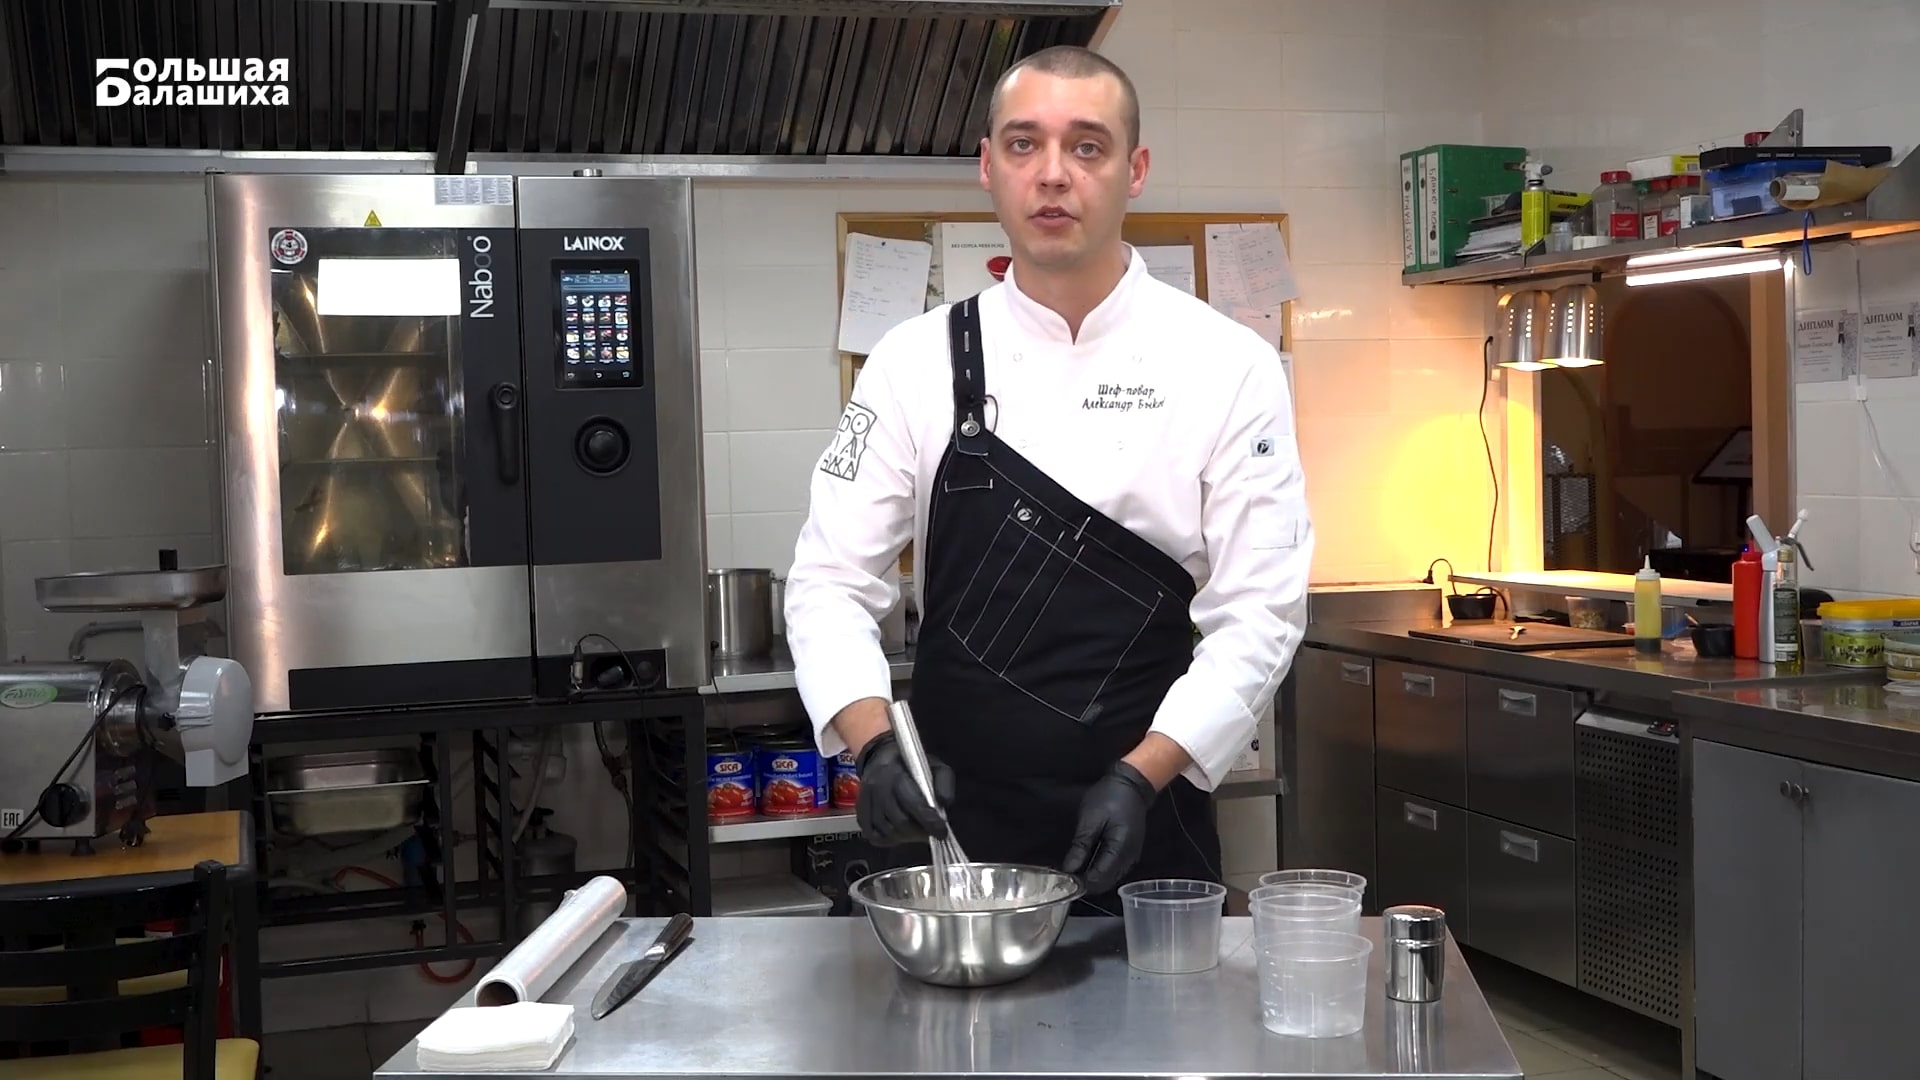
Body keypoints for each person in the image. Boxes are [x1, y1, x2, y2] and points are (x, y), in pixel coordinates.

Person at [783, 45, 1313, 910]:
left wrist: (1143, 775)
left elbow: (1262, 611)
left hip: (1145, 820)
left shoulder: (1228, 365)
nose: (1054, 174)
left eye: (1088, 146)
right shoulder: (911, 363)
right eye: (1024, 144)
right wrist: (875, 743)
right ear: (988, 167)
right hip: (953, 829)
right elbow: (828, 583)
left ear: (1135, 170)